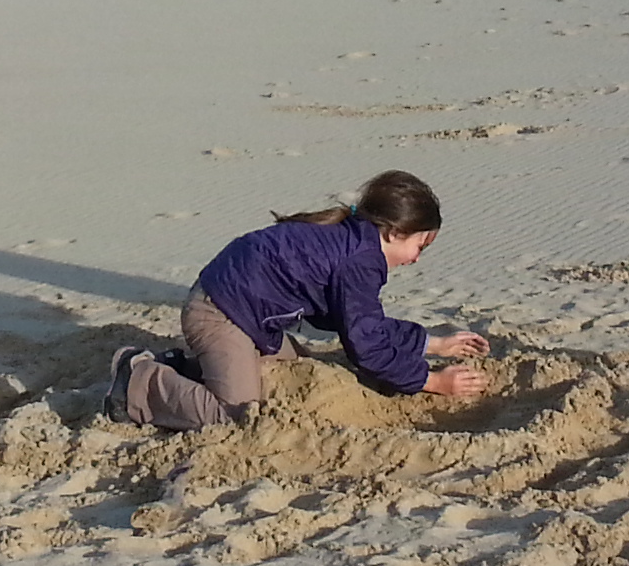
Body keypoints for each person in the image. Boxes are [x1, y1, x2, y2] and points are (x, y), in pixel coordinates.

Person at [111, 169, 491, 432]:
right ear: (393, 232)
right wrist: (431, 381)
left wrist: (432, 342)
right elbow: (367, 348)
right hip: (218, 312)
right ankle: (141, 382)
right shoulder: (361, 262)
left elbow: (361, 323)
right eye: (419, 245)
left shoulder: (353, 237)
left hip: (250, 316)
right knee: (236, 416)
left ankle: (188, 370)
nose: (417, 258)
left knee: (296, 369)